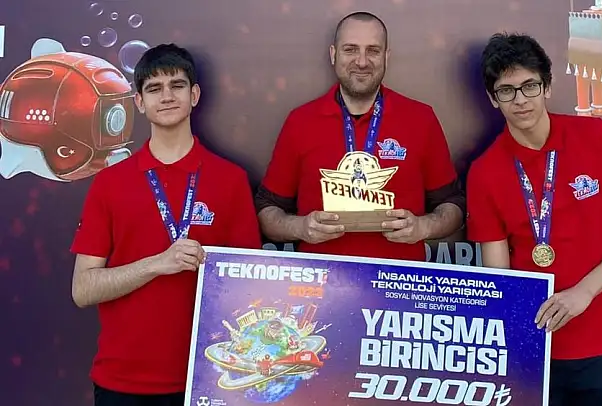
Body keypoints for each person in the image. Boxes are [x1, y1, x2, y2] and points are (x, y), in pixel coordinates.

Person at [466, 33, 602, 406]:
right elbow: (500, 278)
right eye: (506, 91)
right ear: (493, 98)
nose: (520, 99)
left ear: (547, 87)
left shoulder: (596, 136)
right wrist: (517, 342)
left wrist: (584, 292)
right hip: (536, 351)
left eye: (529, 86)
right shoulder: (484, 173)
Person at [70, 43, 262, 406]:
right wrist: (158, 264)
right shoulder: (110, 183)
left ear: (194, 95)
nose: (167, 96)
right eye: (154, 88)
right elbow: (83, 289)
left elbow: (250, 285)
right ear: (139, 102)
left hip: (210, 379)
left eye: (177, 85)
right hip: (123, 382)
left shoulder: (230, 180)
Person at [255, 11, 464, 261]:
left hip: (398, 281)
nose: (362, 62)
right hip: (322, 280)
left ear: (386, 57)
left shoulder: (421, 119)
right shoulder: (300, 121)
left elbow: (454, 205)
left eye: (373, 51)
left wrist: (423, 227)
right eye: (350, 49)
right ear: (333, 54)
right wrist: (300, 228)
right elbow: (266, 210)